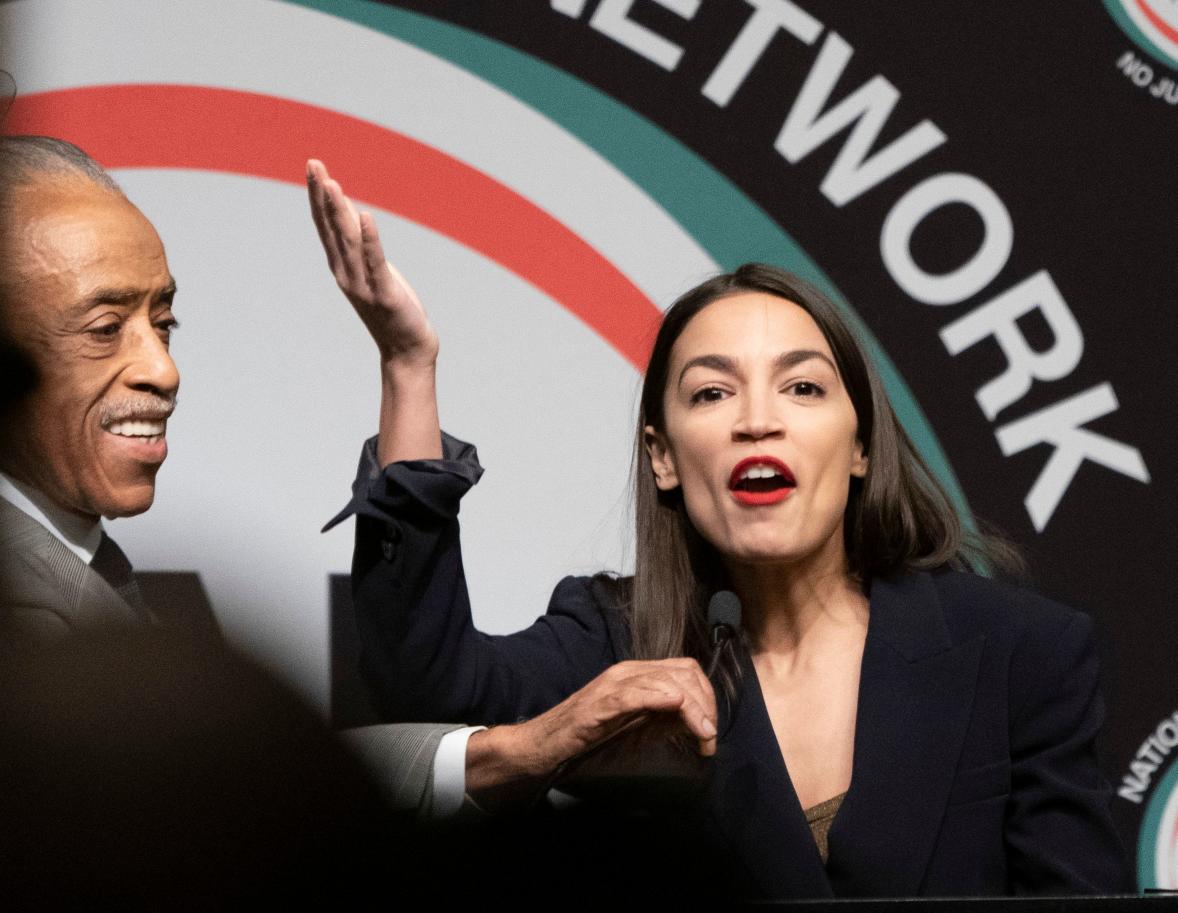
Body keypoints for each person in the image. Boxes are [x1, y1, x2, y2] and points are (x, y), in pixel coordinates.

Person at [308, 159, 1133, 898]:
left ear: (859, 448)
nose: (757, 421)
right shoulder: (615, 642)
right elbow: (426, 692)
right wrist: (408, 367)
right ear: (663, 458)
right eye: (711, 393)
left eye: (803, 389)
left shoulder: (1021, 652)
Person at [0, 135, 462, 817]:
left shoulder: (72, 565)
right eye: (104, 328)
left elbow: (246, 780)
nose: (163, 369)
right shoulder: (6, 610)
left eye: (163, 322)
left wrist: (504, 752)